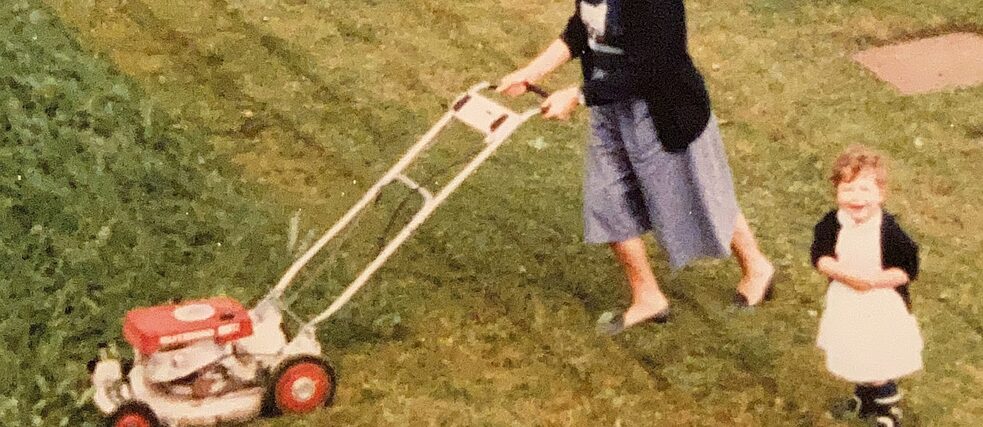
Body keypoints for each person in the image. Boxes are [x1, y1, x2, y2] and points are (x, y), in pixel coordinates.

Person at [497, 0, 775, 335]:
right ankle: (647, 296)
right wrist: (531, 73)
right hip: (610, 105)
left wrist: (579, 95)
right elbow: (581, 29)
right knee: (607, 201)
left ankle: (756, 267)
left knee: (698, 192)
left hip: (665, 111)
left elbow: (654, 67)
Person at [811, 145, 923, 427]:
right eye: (848, 190)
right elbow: (820, 256)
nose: (855, 199)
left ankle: (887, 405)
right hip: (847, 299)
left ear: (880, 195)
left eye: (864, 190)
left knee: (876, 356)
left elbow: (906, 270)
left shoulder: (889, 231)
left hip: (879, 304)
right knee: (853, 348)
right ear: (836, 192)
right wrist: (844, 275)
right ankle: (864, 398)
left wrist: (872, 281)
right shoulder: (831, 223)